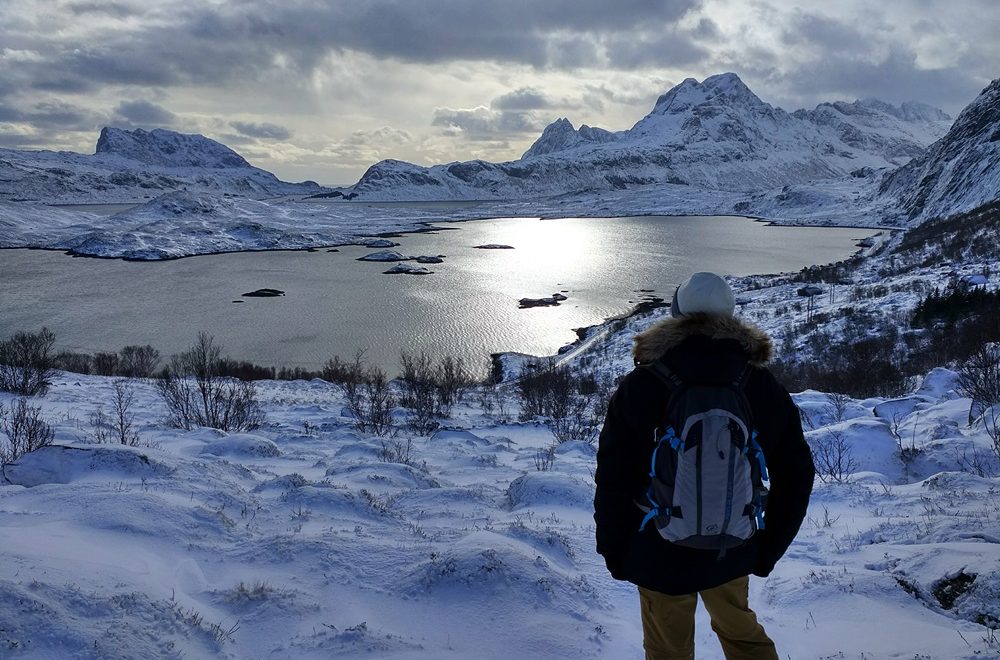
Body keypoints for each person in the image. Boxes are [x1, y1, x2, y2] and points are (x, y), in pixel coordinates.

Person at [594, 272, 814, 659]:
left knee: (668, 650)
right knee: (743, 638)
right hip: (731, 546)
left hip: (656, 550)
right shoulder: (759, 384)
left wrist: (614, 550)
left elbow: (614, 476)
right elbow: (796, 472)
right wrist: (769, 547)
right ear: (730, 317)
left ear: (676, 315)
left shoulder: (643, 383)